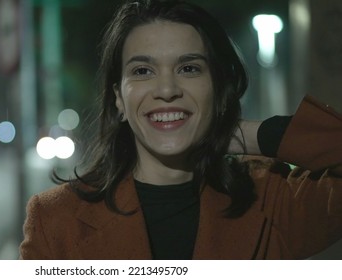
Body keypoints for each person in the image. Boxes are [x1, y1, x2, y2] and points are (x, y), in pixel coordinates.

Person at [19, 0, 342, 259]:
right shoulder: (55, 219)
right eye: (143, 70)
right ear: (119, 97)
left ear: (217, 89)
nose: (167, 89)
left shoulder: (271, 198)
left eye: (189, 68)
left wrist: (244, 133)